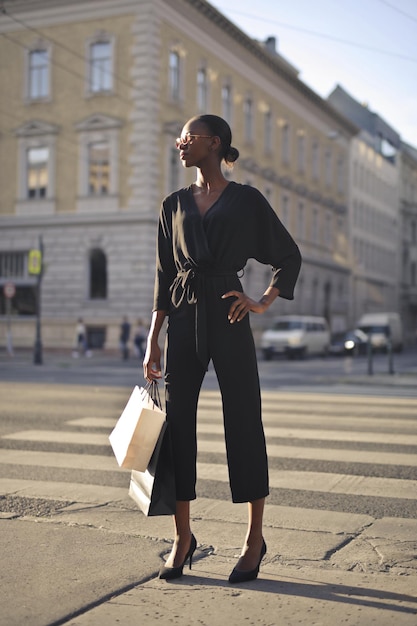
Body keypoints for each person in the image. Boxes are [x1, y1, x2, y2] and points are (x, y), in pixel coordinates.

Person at [143, 114, 301, 583]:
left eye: (189, 137)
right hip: (185, 316)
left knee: (244, 421)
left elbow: (287, 255)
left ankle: (254, 539)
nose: (180, 143)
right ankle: (182, 536)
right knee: (177, 428)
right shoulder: (172, 204)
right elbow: (164, 278)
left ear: (214, 143)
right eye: (179, 138)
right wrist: (152, 341)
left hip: (230, 315)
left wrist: (262, 303)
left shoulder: (247, 200)